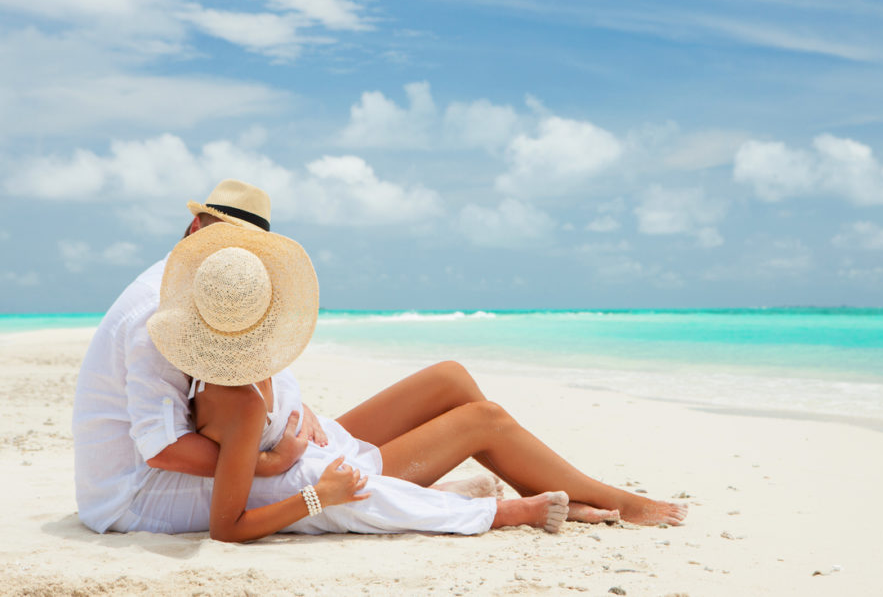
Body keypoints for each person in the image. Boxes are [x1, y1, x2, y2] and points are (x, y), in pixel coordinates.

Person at [72, 178, 686, 535]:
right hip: (146, 491)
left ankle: (544, 486)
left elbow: (243, 362)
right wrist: (274, 458)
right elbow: (162, 448)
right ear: (194, 233)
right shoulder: (158, 316)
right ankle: (611, 502)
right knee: (484, 421)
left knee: (451, 378)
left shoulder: (222, 288)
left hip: (250, 441)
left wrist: (294, 407)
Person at [147, 221, 570, 540]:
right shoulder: (240, 401)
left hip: (314, 459)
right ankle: (504, 513)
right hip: (305, 481)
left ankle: (459, 491)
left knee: (446, 388)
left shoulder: (234, 373)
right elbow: (227, 527)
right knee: (373, 498)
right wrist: (320, 496)